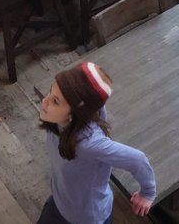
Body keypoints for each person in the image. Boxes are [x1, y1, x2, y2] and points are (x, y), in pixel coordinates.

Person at [37, 62, 155, 224]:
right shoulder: (59, 119)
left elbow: (137, 159)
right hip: (60, 203)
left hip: (85, 218)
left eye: (55, 101)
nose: (45, 101)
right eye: (51, 92)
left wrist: (147, 193)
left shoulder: (89, 144)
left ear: (75, 114)